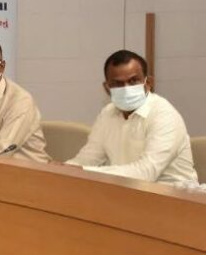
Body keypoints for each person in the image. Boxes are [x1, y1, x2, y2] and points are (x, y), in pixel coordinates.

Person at [64, 50, 196, 183]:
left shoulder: (164, 114)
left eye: (133, 81)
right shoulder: (107, 113)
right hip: (125, 190)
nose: (126, 89)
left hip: (173, 193)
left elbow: (146, 172)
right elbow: (88, 158)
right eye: (117, 84)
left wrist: (83, 171)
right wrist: (62, 169)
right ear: (107, 88)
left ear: (148, 83)